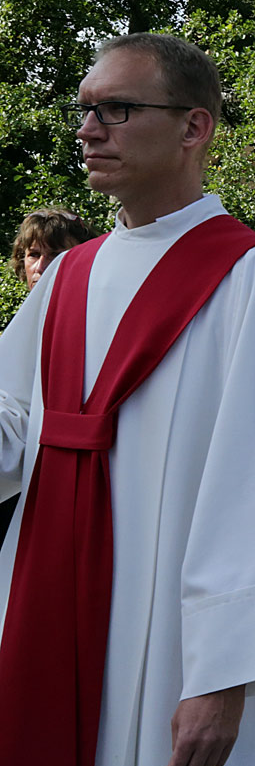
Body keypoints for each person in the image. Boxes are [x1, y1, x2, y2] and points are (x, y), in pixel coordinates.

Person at [0, 33, 255, 766]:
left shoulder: (249, 277)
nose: (88, 130)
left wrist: (225, 676)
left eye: (116, 109)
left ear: (193, 127)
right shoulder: (69, 276)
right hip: (50, 592)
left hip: (173, 642)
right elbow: (17, 430)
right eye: (85, 111)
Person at [2, 208, 96, 544]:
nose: (41, 268)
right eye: (33, 255)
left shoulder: (96, 331)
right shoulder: (10, 333)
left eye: (56, 255)